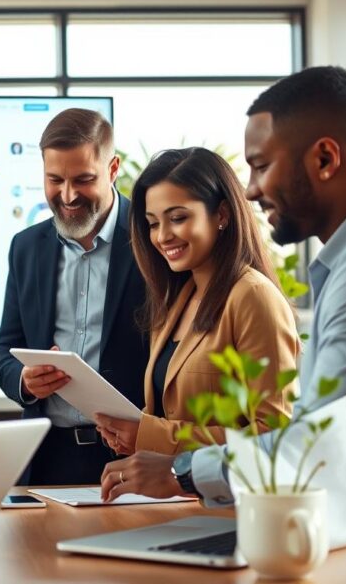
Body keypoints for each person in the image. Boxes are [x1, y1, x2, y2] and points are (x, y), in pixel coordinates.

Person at [99, 67, 346, 555]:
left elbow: (321, 450)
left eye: (260, 165)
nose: (250, 189)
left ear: (324, 158)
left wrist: (181, 469)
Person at [93, 147, 295, 455]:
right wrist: (132, 433)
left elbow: (274, 435)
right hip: (169, 498)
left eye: (177, 218)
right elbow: (166, 416)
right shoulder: (176, 299)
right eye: (153, 223)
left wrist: (151, 435)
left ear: (222, 215)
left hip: (225, 500)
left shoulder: (252, 297)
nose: (162, 236)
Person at [0, 108, 150, 485]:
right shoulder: (26, 247)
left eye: (83, 179)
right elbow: (5, 350)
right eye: (54, 180)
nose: (67, 195)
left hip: (135, 455)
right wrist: (25, 381)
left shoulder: (151, 238)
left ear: (112, 170)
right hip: (45, 459)